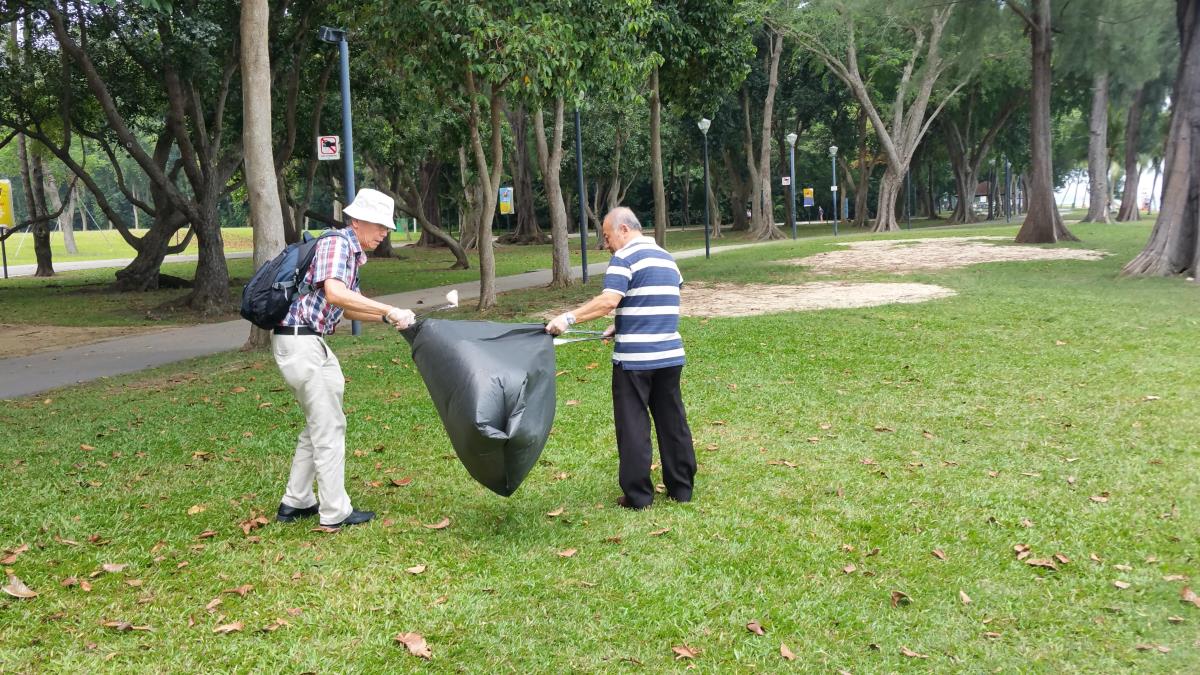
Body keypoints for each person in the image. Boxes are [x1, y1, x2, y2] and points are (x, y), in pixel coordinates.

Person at [272, 188, 415, 529]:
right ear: (358, 220)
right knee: (329, 429)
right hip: (301, 344)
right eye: (379, 225)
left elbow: (345, 305)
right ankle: (335, 512)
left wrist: (384, 318)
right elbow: (336, 292)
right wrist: (390, 308)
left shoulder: (348, 251)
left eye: (387, 227)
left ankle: (296, 500)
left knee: (317, 424)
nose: (384, 233)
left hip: (308, 343)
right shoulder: (337, 244)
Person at [545, 207, 696, 509]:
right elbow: (660, 295)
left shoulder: (623, 258)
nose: (607, 244)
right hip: (669, 356)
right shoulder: (667, 258)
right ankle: (682, 489)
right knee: (672, 421)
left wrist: (568, 318)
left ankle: (639, 497)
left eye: (607, 236)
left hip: (635, 361)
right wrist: (622, 324)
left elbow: (607, 301)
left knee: (633, 426)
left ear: (624, 229)